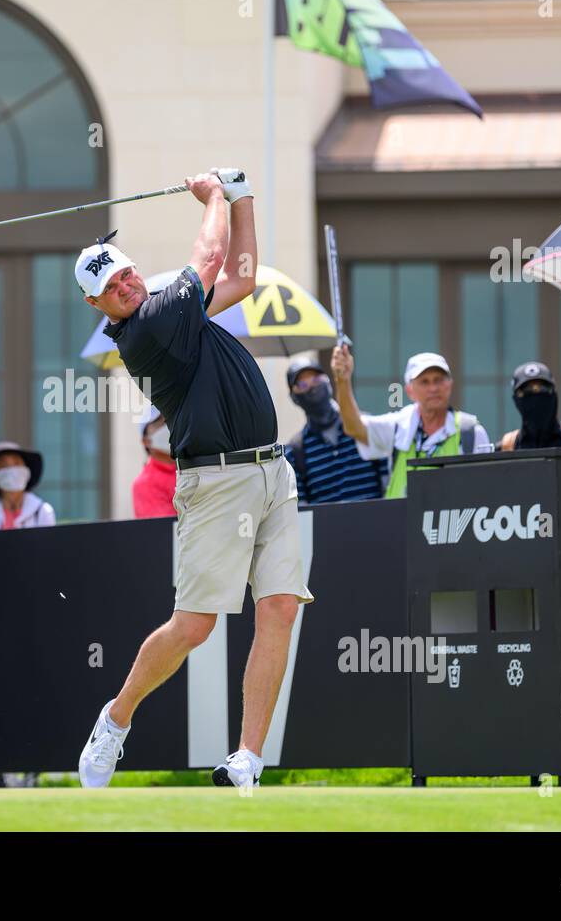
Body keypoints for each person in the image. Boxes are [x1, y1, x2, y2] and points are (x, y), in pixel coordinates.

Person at [74, 168, 313, 790]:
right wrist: (211, 197)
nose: (124, 285)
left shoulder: (172, 310)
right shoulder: (145, 331)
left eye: (126, 272)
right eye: (109, 285)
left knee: (281, 609)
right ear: (96, 304)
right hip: (215, 484)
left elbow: (242, 276)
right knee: (195, 626)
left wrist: (243, 200)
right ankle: (116, 719)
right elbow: (209, 257)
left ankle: (248, 761)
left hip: (273, 472)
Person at [331, 347, 489, 499]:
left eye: (439, 380)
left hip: (453, 525)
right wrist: (342, 381)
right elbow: (353, 427)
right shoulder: (399, 425)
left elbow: (485, 491)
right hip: (399, 524)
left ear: (450, 384)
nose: (433, 388)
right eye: (424, 382)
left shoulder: (472, 433)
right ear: (409, 391)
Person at [284, 354, 386, 504]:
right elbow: (302, 512)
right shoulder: (296, 451)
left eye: (316, 379)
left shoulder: (365, 428)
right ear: (294, 398)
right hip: (326, 527)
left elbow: (389, 488)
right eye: (303, 385)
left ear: (328, 381)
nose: (312, 387)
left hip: (378, 525)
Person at [498, 362, 561, 450]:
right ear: (516, 400)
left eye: (543, 390)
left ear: (554, 395)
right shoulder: (505, 448)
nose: (536, 399)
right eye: (527, 392)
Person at [0, 442, 55, 530]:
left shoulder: (42, 511)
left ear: (27, 470)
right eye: (4, 465)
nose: (12, 470)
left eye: (17, 463)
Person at [131, 406, 176, 518]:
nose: (167, 427)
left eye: (168, 421)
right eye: (159, 422)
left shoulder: (188, 467)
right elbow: (165, 531)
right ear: (146, 441)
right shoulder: (144, 484)